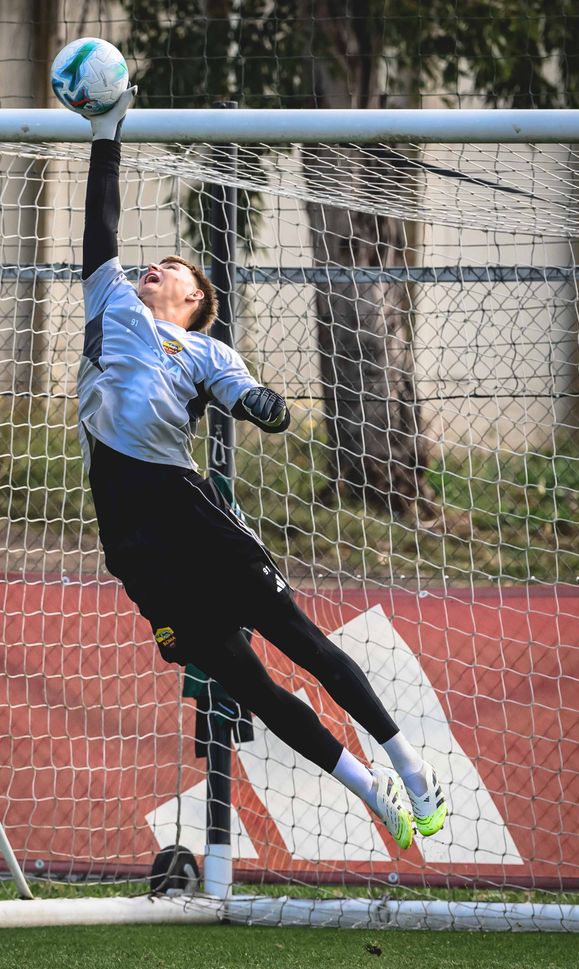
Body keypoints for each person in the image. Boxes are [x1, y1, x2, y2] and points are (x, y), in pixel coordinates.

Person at [77, 89, 447, 852]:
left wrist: (266, 406)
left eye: (172, 269)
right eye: (154, 264)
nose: (155, 267)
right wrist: (104, 136)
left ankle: (409, 767)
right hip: (133, 541)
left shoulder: (208, 350)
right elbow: (101, 225)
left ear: (195, 300)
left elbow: (239, 395)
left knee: (300, 639)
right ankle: (366, 788)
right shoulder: (109, 301)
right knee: (246, 681)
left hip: (189, 515)